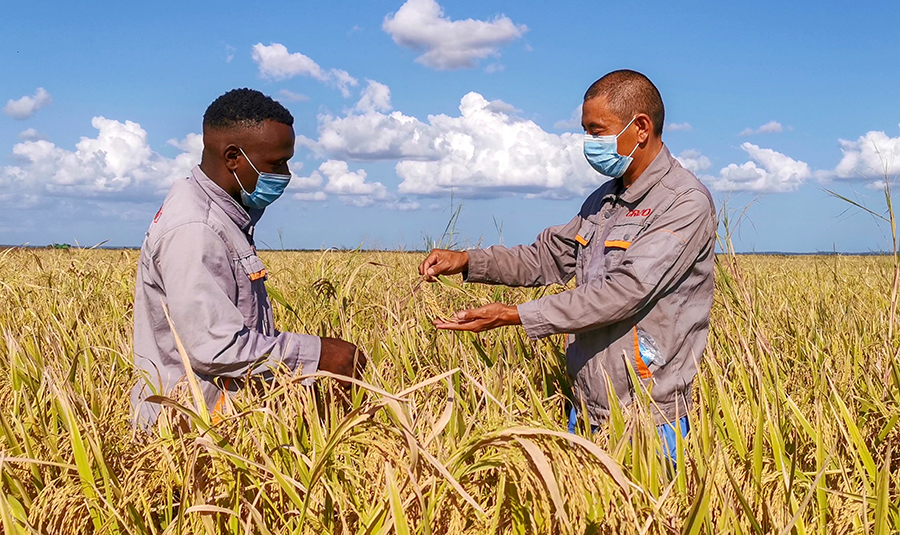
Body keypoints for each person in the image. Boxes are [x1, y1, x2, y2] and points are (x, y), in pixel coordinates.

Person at [419, 70, 715, 460]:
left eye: (597, 131)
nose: (589, 143)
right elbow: (546, 258)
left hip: (650, 416)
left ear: (640, 127)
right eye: (586, 132)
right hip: (587, 407)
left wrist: (514, 316)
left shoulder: (683, 202)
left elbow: (624, 292)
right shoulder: (603, 200)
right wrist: (468, 261)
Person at [131, 88, 364, 429]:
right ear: (233, 158)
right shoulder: (197, 227)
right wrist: (321, 355)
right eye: (276, 163)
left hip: (219, 422)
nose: (285, 175)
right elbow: (216, 348)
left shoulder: (221, 216)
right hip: (191, 432)